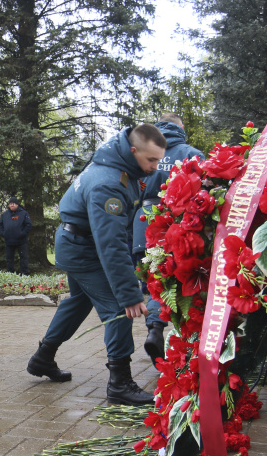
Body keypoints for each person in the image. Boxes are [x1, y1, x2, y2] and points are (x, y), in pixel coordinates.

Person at [27, 124, 166, 406]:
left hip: (76, 242)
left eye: (158, 160)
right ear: (133, 150)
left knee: (78, 302)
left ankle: (43, 358)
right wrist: (129, 294)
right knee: (117, 309)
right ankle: (120, 383)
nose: (154, 168)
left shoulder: (115, 165)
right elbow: (111, 244)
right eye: (150, 160)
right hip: (83, 249)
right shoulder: (109, 183)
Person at [131, 113, 203, 367]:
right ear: (180, 128)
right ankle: (176, 344)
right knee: (176, 284)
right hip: (176, 226)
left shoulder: (142, 153)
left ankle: (154, 329)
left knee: (152, 282)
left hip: (142, 224)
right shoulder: (190, 153)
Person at [0, 197, 31, 275]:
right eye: (10, 204)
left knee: (24, 258)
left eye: (13, 203)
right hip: (9, 241)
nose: (11, 205)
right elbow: (0, 225)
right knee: (9, 259)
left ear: (17, 204)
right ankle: (11, 274)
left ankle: (24, 274)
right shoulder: (5, 214)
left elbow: (28, 225)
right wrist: (4, 234)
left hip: (21, 241)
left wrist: (22, 234)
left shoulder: (24, 213)